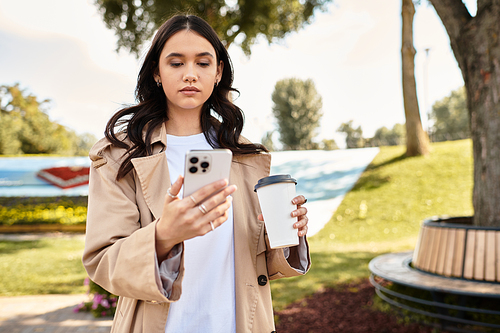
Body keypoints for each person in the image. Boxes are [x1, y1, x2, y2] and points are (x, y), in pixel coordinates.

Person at [82, 14, 310, 333]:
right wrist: (164, 236)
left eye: (203, 63)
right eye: (176, 63)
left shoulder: (246, 157)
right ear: (157, 73)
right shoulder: (120, 154)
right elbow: (103, 261)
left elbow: (255, 265)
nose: (190, 74)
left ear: (218, 72)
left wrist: (287, 234)